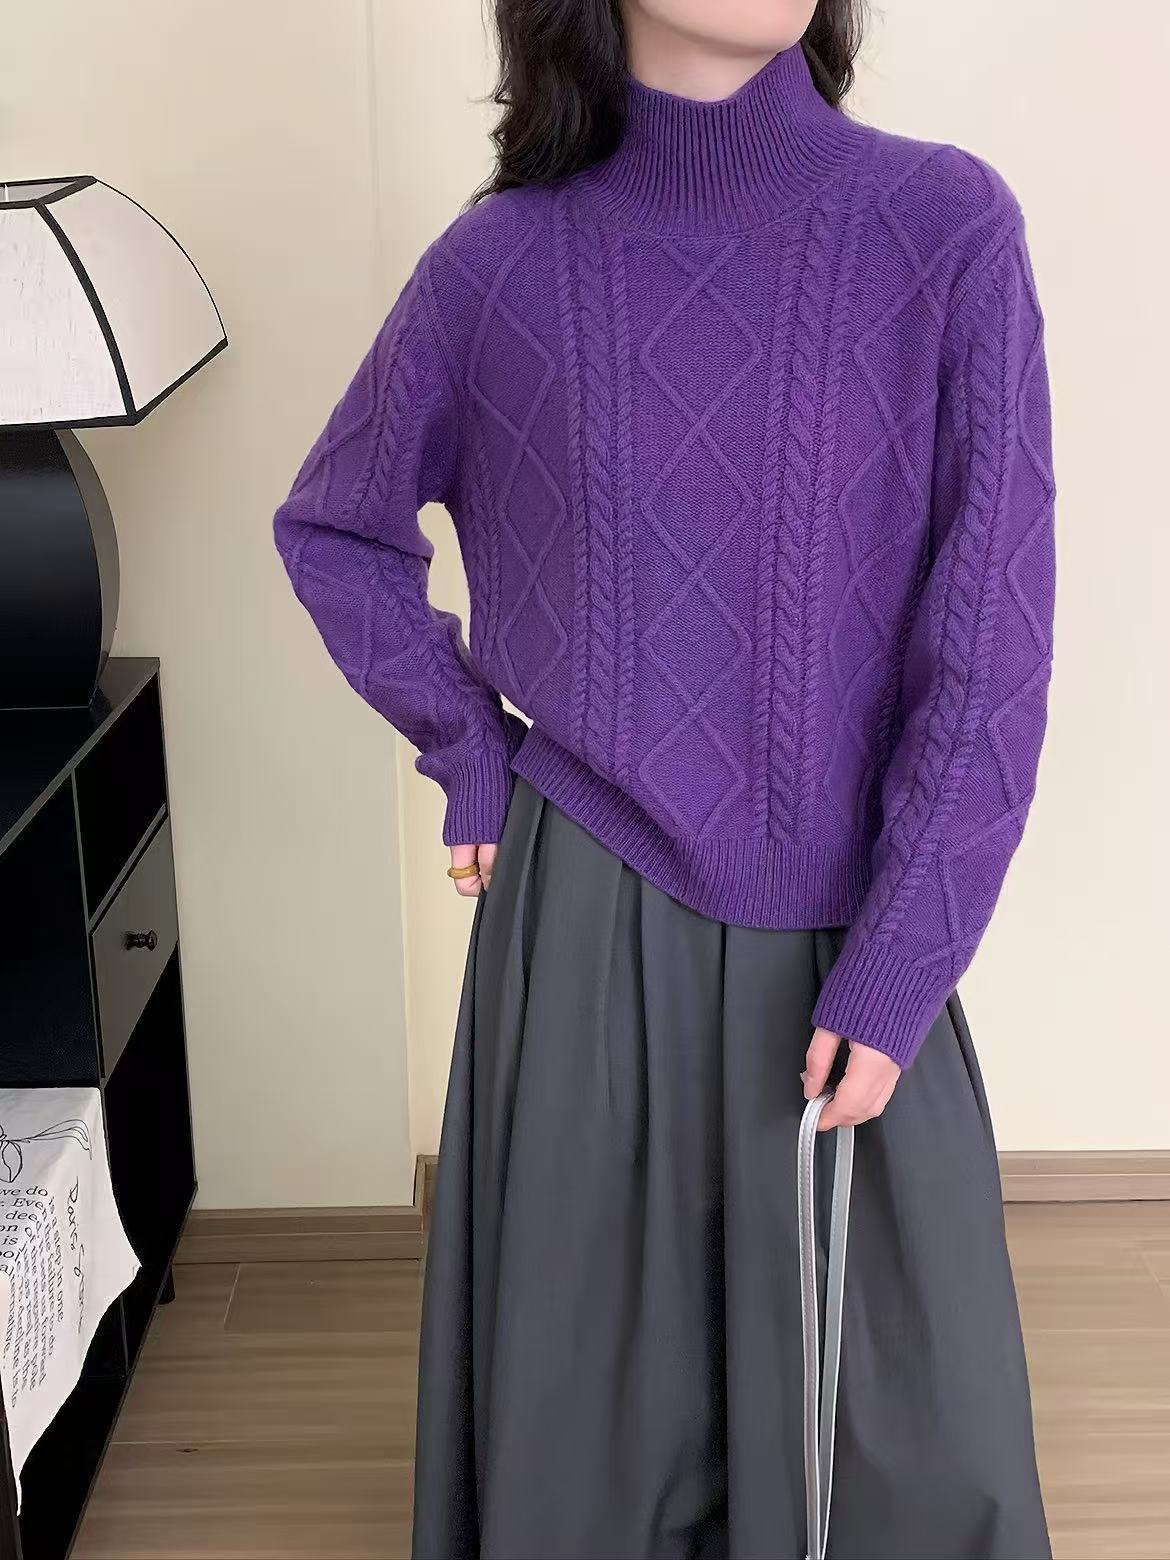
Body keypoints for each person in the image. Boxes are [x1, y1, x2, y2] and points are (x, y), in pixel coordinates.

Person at [273, 1, 1056, 1554]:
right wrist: (469, 749)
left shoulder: (943, 226)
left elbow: (990, 647)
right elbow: (336, 527)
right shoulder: (496, 265)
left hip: (848, 939)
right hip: (581, 936)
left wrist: (905, 955)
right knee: (595, 1473)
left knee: (912, 1462)